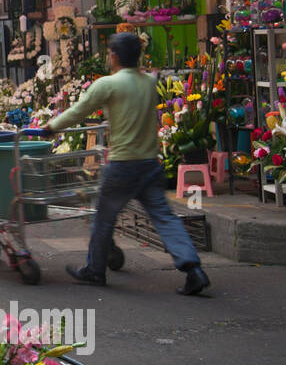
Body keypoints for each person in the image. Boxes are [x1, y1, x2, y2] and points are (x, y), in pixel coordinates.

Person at [41, 32, 210, 297]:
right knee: (164, 217)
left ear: (115, 56)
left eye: (110, 52)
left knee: (104, 218)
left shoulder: (108, 84)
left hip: (122, 165)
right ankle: (193, 269)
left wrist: (50, 128)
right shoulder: (148, 83)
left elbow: (78, 111)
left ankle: (95, 269)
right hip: (150, 164)